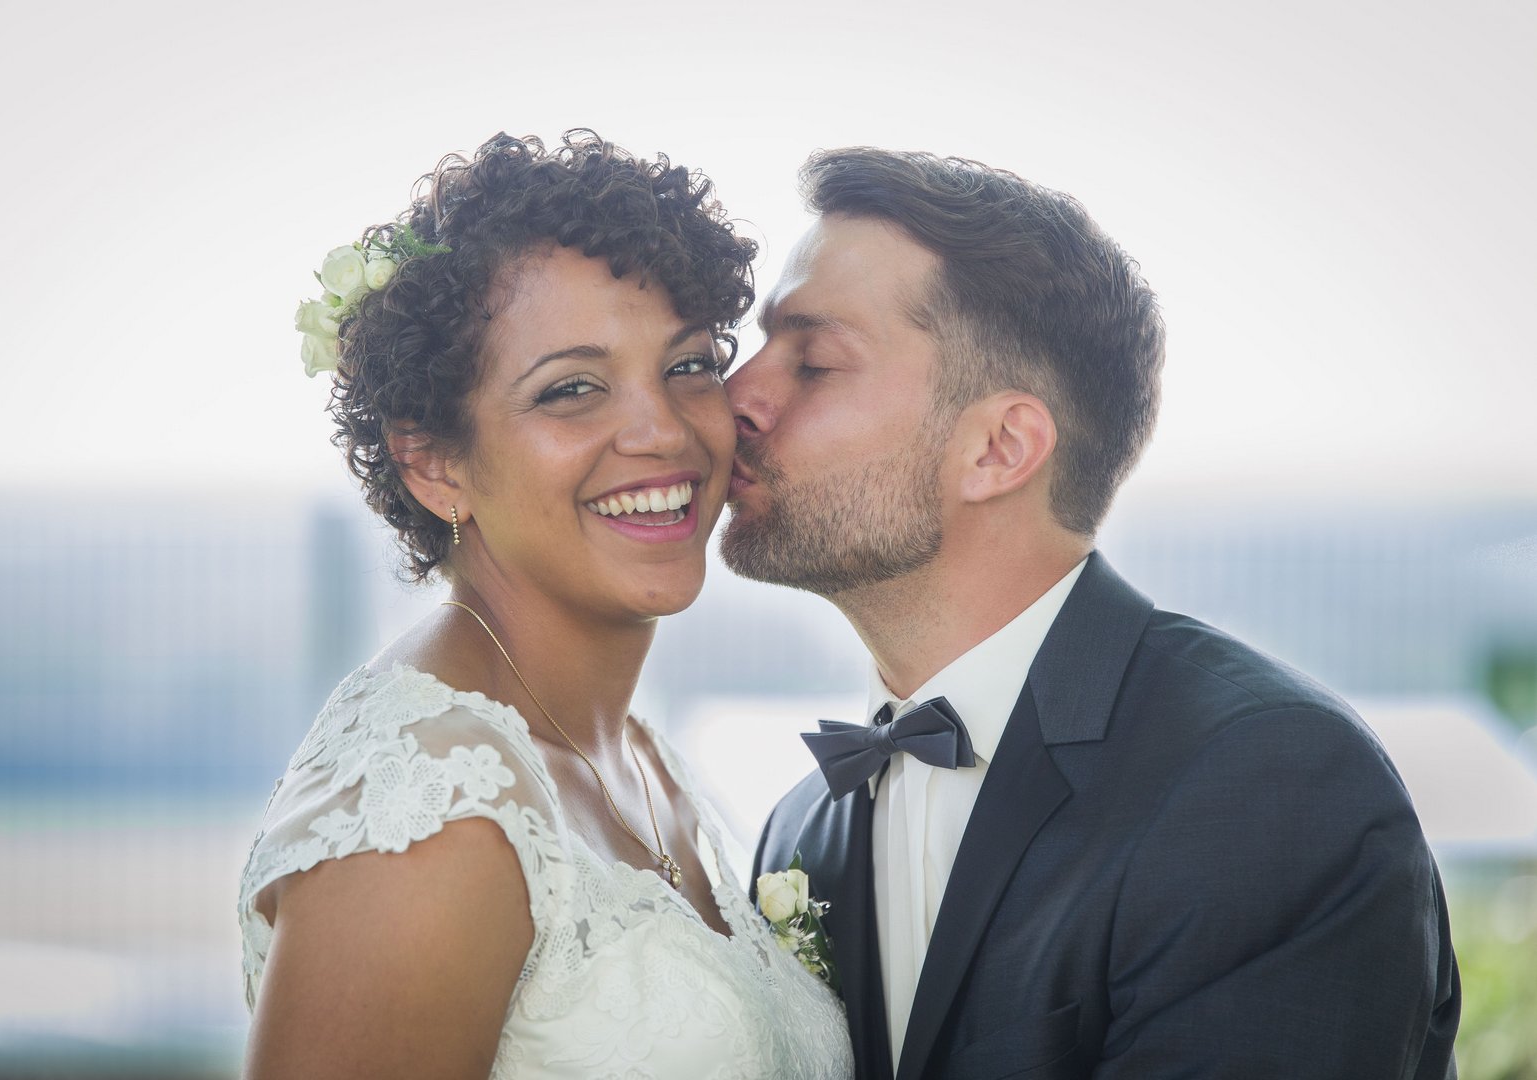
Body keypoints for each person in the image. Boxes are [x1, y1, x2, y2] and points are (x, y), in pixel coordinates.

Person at [728, 147, 1460, 1080]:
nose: (737, 397)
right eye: (756, 348)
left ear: (999, 447)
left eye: (814, 361)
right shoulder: (802, 824)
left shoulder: (1266, 785)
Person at [238, 132, 851, 1080]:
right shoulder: (428, 816)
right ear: (433, 463)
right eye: (572, 390)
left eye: (687, 365)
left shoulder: (642, 758)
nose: (663, 432)